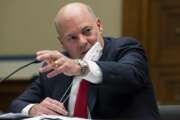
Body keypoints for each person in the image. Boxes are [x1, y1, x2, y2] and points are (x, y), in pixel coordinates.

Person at [9, 2, 160, 119]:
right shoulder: (56, 66)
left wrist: (80, 67)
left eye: (87, 31)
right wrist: (33, 109)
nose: (82, 42)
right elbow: (17, 103)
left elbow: (132, 74)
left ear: (99, 26)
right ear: (62, 43)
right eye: (72, 38)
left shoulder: (125, 48)